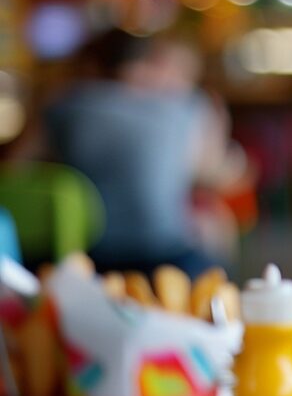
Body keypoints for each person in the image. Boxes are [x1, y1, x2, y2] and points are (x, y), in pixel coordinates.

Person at [38, 29, 230, 278]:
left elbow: (16, 167)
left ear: (90, 65)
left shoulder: (62, 104)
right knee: (216, 235)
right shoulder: (186, 103)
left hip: (86, 258)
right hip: (167, 257)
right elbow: (206, 172)